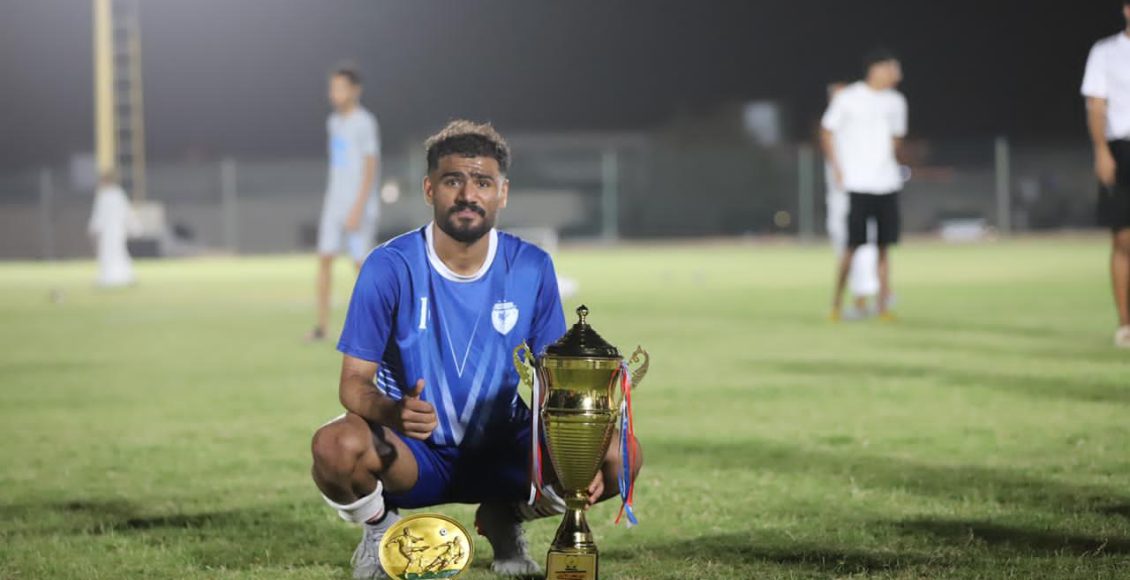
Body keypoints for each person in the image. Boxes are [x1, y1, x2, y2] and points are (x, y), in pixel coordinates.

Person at [309, 120, 643, 579]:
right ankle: (381, 531)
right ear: (429, 188)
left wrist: (589, 423)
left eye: (483, 182)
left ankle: (505, 517)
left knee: (621, 454)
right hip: (414, 455)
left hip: (505, 452)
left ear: (502, 193)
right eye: (453, 181)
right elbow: (353, 383)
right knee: (334, 445)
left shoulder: (531, 266)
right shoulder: (389, 266)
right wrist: (392, 412)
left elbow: (552, 379)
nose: (468, 195)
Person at [822, 49, 908, 321]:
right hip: (857, 184)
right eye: (892, 69)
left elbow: (897, 137)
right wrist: (838, 169)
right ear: (876, 69)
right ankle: (837, 303)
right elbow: (827, 131)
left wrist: (883, 159)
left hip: (887, 183)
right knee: (852, 245)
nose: (897, 75)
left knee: (883, 247)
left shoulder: (896, 101)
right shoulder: (848, 98)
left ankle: (882, 305)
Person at [308, 65, 381, 342]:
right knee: (324, 259)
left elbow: (370, 166)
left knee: (362, 267)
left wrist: (358, 207)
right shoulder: (334, 122)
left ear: (355, 90)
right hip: (335, 203)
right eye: (332, 88)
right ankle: (322, 328)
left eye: (340, 88)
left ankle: (375, 330)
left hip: (358, 205)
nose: (334, 93)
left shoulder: (365, 122)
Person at [1082, 0, 1130, 348]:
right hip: (1121, 148)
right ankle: (1125, 324)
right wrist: (1101, 151)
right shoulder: (1105, 51)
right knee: (1123, 240)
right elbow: (1096, 105)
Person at [824, 82, 881, 319]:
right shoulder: (833, 129)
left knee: (862, 247)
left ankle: (862, 301)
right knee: (845, 248)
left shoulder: (856, 131)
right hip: (838, 200)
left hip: (856, 197)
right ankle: (847, 302)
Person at [87, 171, 140, 287]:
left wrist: (93, 228)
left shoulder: (104, 195)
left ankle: (112, 276)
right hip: (118, 230)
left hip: (108, 231)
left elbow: (98, 215)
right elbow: (127, 212)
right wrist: (134, 227)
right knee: (118, 251)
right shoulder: (118, 194)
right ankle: (124, 275)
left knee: (110, 253)